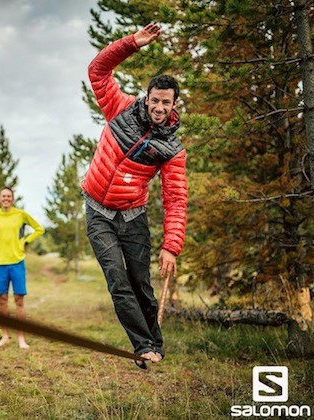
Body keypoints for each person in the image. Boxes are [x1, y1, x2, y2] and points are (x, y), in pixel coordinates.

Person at [82, 22, 188, 369]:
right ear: (147, 97)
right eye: (155, 99)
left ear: (174, 104)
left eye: (166, 102)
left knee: (141, 282)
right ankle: (142, 346)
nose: (159, 106)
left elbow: (175, 198)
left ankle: (155, 343)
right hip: (98, 211)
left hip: (132, 216)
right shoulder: (120, 107)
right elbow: (97, 70)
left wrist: (171, 245)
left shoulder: (172, 147)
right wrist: (132, 43)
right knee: (117, 278)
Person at [0, 187, 45, 349]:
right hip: (0, 263)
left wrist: (24, 241)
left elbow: (39, 229)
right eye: (3, 196)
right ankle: (5, 336)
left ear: (12, 199)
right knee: (2, 301)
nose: (6, 198)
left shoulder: (20, 214)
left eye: (9, 196)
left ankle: (21, 338)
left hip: (17, 262)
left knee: (19, 300)